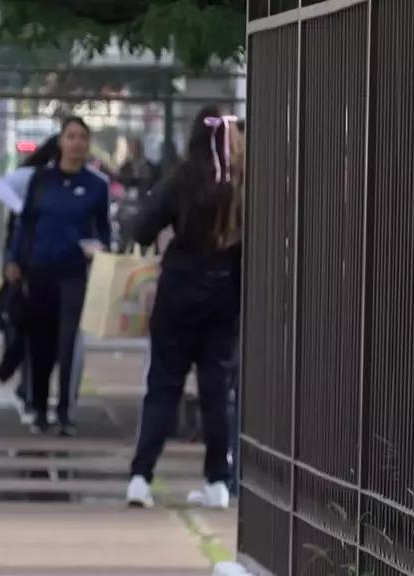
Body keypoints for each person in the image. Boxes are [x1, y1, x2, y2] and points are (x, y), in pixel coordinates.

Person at [126, 106, 244, 509]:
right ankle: (218, 482)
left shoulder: (180, 178)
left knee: (162, 388)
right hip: (225, 297)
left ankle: (141, 478)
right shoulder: (243, 183)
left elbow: (142, 228)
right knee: (216, 391)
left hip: (177, 294)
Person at [4, 117, 111, 437]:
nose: (77, 143)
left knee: (68, 344)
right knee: (40, 344)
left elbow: (104, 230)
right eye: (71, 136)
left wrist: (101, 249)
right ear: (61, 142)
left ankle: (65, 412)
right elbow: (25, 224)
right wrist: (14, 260)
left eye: (82, 137)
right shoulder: (41, 180)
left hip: (75, 273)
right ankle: (38, 408)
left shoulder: (96, 186)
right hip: (39, 271)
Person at [0, 135, 61, 422]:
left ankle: (36, 392)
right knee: (27, 328)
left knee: (53, 339)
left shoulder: (82, 182)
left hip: (60, 267)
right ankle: (28, 390)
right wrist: (23, 210)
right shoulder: (33, 178)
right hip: (27, 264)